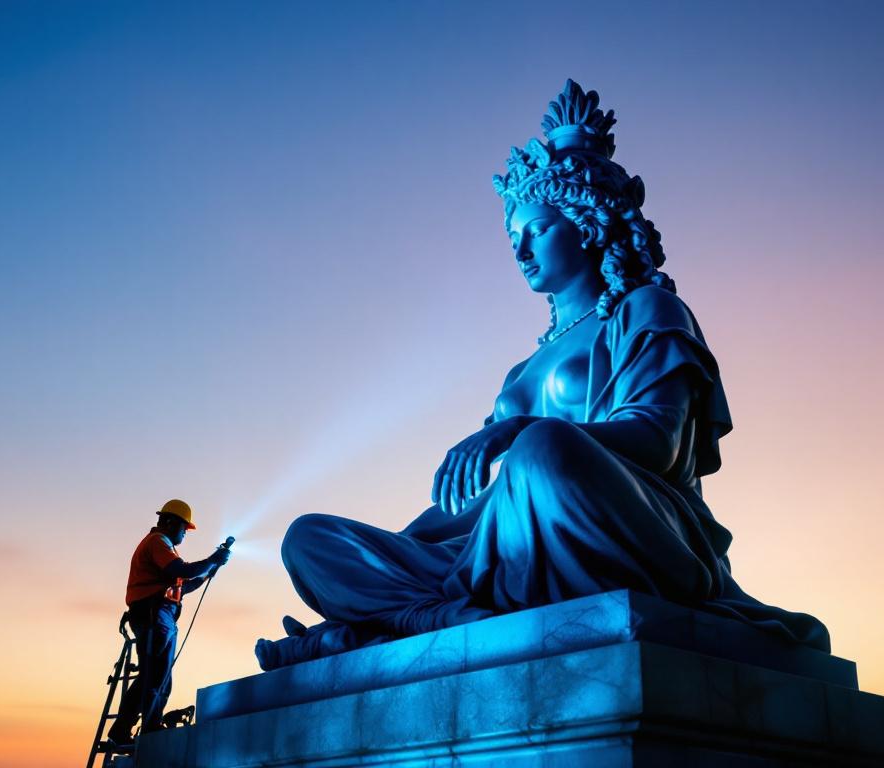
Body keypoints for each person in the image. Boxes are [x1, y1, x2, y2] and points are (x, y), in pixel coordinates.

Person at [255, 80, 830, 671]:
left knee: (542, 448)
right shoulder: (522, 369)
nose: (521, 252)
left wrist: (518, 431)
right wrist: (388, 556)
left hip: (629, 520)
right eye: (513, 238)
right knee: (308, 537)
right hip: (504, 539)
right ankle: (416, 615)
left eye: (538, 231)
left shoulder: (645, 312)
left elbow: (655, 442)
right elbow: (486, 503)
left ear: (585, 223)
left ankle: (393, 621)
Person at [106, 499, 231, 745]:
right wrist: (213, 559)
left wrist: (209, 571)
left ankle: (149, 725)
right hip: (153, 615)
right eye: (184, 527)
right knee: (153, 675)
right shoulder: (158, 543)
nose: (185, 532)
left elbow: (182, 586)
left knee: (160, 677)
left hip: (161, 616)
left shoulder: (166, 549)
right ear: (170, 522)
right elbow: (184, 571)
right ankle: (129, 729)